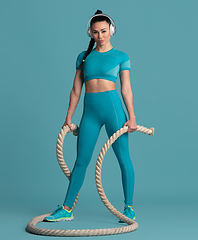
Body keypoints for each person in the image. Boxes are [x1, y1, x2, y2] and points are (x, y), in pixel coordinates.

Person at [44, 10, 137, 223]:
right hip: (90, 113)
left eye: (104, 31)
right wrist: (68, 118)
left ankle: (129, 207)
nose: (100, 36)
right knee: (81, 161)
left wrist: (132, 117)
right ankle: (67, 209)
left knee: (123, 159)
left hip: (114, 110)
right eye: (95, 32)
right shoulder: (83, 56)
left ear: (111, 30)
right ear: (90, 33)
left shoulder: (121, 56)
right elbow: (76, 90)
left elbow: (126, 90)